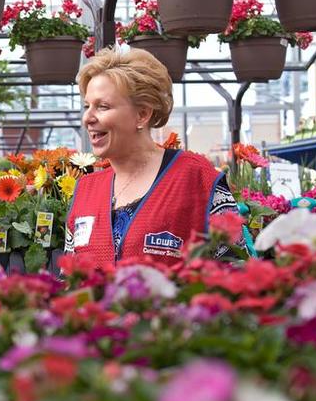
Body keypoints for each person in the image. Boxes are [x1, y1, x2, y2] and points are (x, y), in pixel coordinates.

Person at [65, 48, 242, 267]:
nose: (87, 118)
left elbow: (237, 269)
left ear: (142, 114)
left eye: (103, 106)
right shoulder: (85, 190)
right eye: (86, 106)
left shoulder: (196, 178)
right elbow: (70, 278)